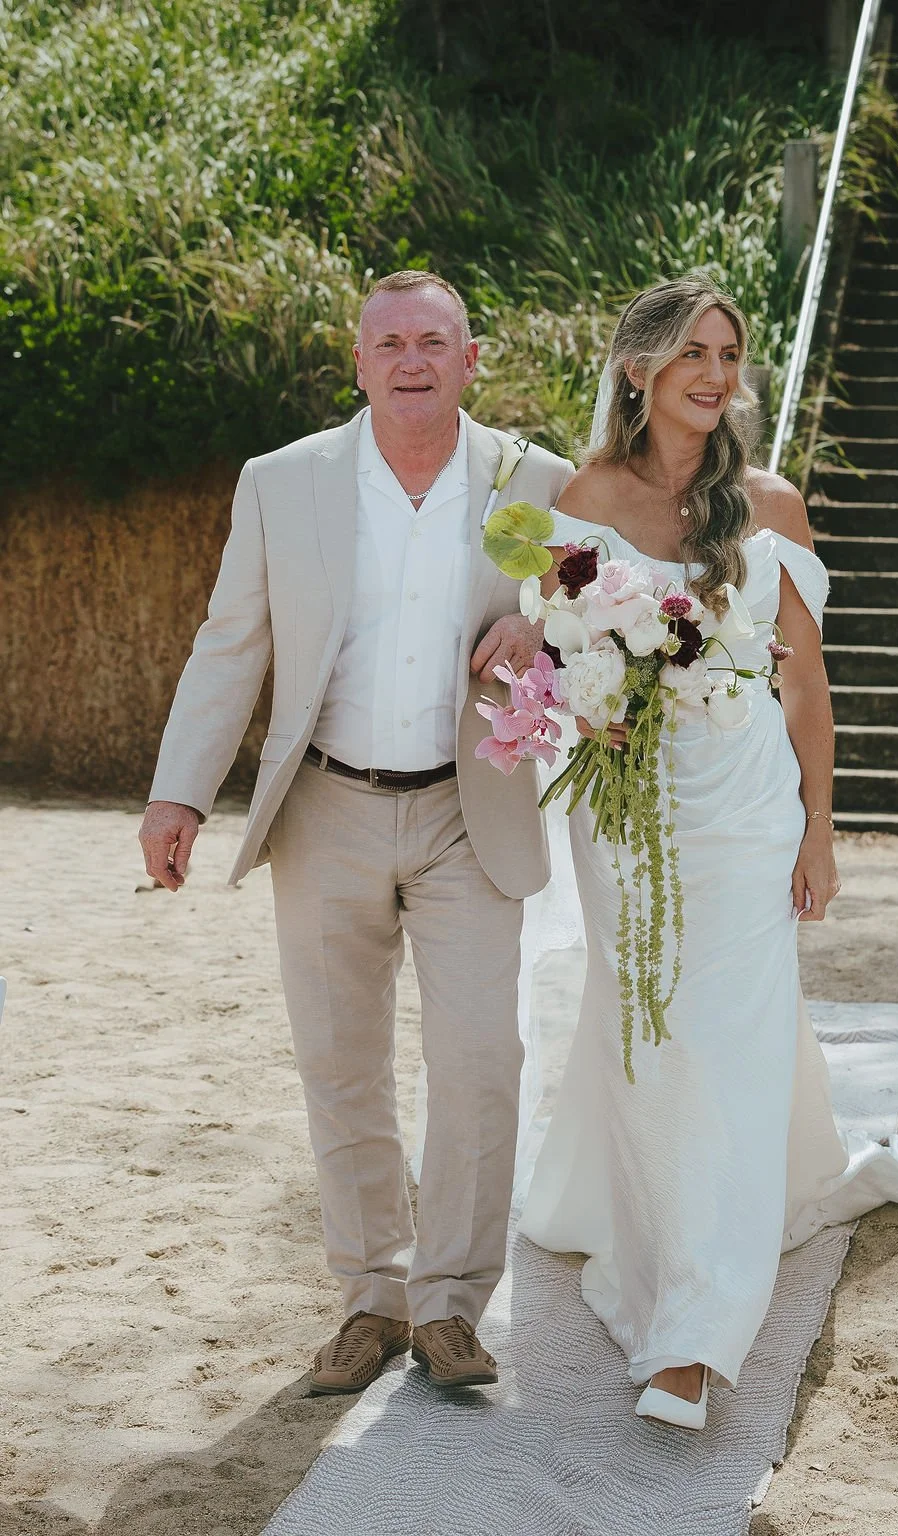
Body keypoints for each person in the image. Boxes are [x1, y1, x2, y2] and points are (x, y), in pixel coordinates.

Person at [139, 270, 574, 1395]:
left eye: (435, 340)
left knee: (481, 1059)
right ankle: (371, 1299)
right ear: (359, 363)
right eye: (391, 343)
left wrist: (539, 626)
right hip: (323, 804)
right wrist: (178, 793)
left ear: (471, 359)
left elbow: (591, 620)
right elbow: (229, 643)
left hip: (466, 807)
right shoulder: (283, 483)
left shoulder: (540, 480)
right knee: (341, 1066)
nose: (413, 359)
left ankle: (450, 1311)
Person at [518, 274, 898, 1429]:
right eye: (692, 353)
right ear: (636, 369)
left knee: (733, 1035)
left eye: (729, 353)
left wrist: (819, 825)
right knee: (650, 1026)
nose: (715, 374)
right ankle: (675, 1202)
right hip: (623, 815)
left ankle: (693, 1338)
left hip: (745, 808)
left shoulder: (771, 503)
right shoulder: (582, 493)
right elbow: (556, 659)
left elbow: (805, 687)